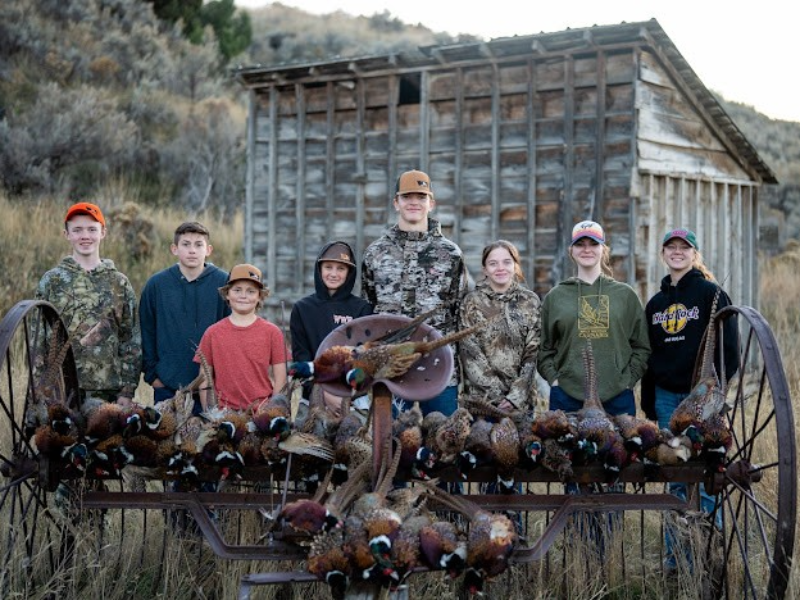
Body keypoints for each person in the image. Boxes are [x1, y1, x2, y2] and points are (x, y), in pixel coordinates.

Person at [642, 227, 739, 572]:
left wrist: (716, 393)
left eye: (685, 247)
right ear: (664, 253)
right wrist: (650, 400)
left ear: (694, 254)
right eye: (671, 247)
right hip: (668, 397)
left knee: (706, 473)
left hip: (702, 397)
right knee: (675, 475)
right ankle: (675, 561)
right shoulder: (655, 304)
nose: (678, 252)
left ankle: (708, 555)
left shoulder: (711, 295)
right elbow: (650, 357)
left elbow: (730, 351)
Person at [361, 169, 469, 416]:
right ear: (396, 203)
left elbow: (459, 313)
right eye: (407, 196)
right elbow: (368, 310)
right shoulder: (375, 253)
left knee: (442, 446)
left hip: (439, 369)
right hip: (389, 370)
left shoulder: (451, 254)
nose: (414, 202)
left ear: (431, 203)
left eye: (421, 197)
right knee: (391, 445)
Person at [538, 220, 650, 415]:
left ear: (603, 249)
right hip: (567, 397)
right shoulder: (556, 297)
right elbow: (544, 348)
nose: (586, 250)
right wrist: (555, 381)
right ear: (571, 250)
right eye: (580, 244)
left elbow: (641, 346)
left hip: (617, 397)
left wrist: (628, 381)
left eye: (593, 244)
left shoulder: (625, 295)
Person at [36, 202, 141, 407]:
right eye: (77, 230)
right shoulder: (52, 281)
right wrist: (41, 389)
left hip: (107, 392)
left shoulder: (119, 283)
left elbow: (131, 340)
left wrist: (127, 391)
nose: (85, 236)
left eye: (92, 229)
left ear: (103, 232)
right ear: (66, 234)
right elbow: (37, 339)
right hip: (59, 392)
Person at [139, 222, 230, 414]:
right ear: (174, 249)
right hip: (168, 386)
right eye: (186, 244)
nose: (192, 250)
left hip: (212, 387)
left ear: (209, 250)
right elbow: (146, 332)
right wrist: (154, 377)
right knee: (168, 441)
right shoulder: (157, 285)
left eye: (199, 245)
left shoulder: (223, 283)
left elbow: (230, 330)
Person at [290, 241, 373, 419]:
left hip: (354, 399)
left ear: (349, 273)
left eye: (341, 269)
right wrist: (324, 394)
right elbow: (302, 358)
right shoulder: (302, 309)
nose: (333, 274)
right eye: (328, 267)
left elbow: (365, 360)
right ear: (319, 269)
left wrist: (347, 395)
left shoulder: (362, 309)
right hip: (313, 396)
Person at [460, 240, 542, 412]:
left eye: (507, 262)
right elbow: (471, 353)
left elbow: (533, 353)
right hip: (482, 403)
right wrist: (496, 397)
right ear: (485, 270)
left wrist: (515, 397)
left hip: (521, 404)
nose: (500, 268)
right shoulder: (471, 303)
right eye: (493, 263)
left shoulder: (530, 301)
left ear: (515, 265)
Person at [195, 263, 287, 412]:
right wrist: (209, 412)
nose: (243, 296)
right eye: (237, 290)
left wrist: (272, 412)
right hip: (224, 415)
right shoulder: (212, 333)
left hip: (261, 413)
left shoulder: (272, 332)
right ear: (227, 294)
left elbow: (281, 379)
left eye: (251, 291)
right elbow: (204, 377)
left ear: (259, 296)